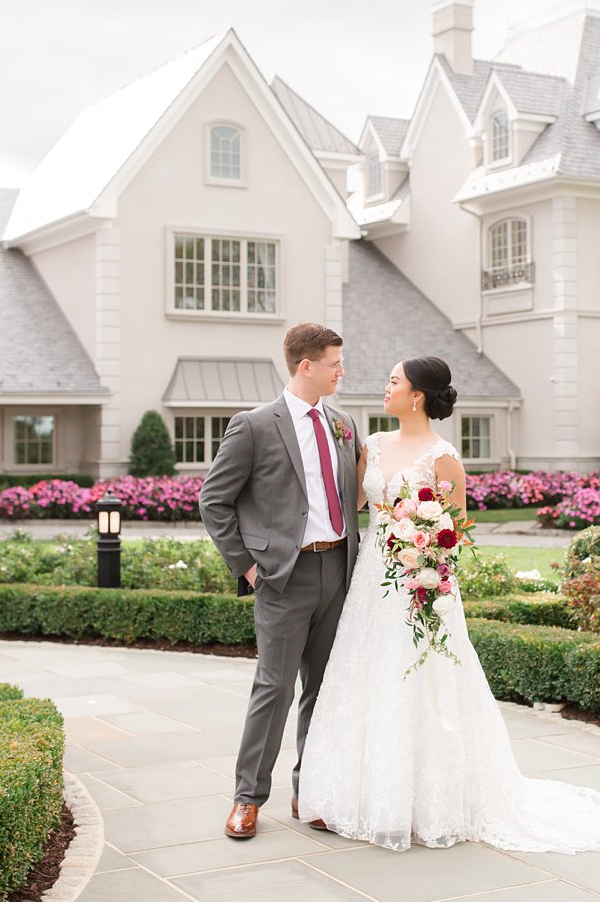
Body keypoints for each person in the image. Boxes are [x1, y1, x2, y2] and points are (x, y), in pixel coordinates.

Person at [296, 356, 600, 853]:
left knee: (422, 683)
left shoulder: (444, 456)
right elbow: (353, 505)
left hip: (418, 585)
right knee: (364, 677)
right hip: (371, 584)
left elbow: (454, 529)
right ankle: (357, 794)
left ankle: (426, 801)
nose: (384, 388)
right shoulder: (375, 446)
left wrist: (423, 555)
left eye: (393, 382)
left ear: (417, 396)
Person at [200, 323, 361, 840]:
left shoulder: (343, 423)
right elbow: (213, 500)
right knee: (274, 689)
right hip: (282, 577)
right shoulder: (253, 426)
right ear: (305, 366)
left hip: (338, 570)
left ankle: (307, 792)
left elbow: (352, 498)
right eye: (335, 363)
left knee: (322, 689)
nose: (342, 371)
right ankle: (248, 798)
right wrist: (248, 566)